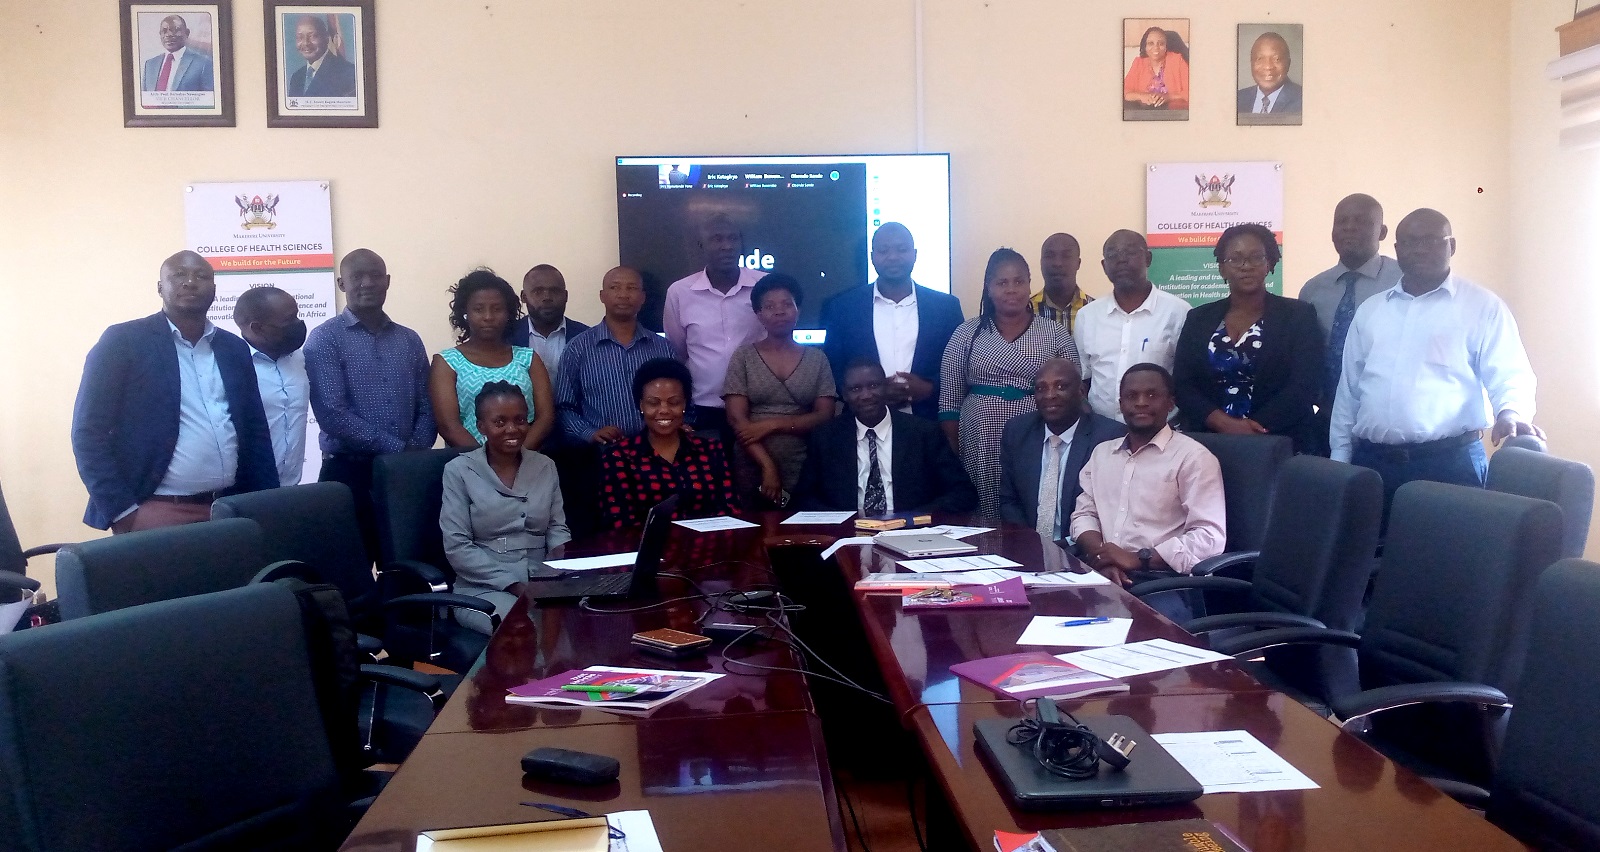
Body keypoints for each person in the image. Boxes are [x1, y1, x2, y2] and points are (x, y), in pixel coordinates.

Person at [1331, 209, 1541, 509]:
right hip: (1373, 465)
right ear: (1396, 250)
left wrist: (1511, 412)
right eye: (1409, 241)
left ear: (1451, 246)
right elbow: (1348, 393)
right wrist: (1340, 460)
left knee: (1448, 555)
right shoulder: (1371, 311)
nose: (1419, 249)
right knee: (1370, 554)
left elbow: (1510, 374)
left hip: (1449, 465)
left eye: (1431, 240)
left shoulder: (1482, 307)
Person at [72, 251, 277, 533]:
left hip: (230, 508)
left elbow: (255, 429)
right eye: (179, 275)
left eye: (201, 276)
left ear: (214, 291)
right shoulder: (123, 342)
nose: (190, 282)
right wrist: (122, 511)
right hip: (155, 510)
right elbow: (88, 431)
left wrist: (267, 503)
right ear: (160, 288)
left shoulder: (234, 348)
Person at [304, 248, 435, 555]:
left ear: (387, 281)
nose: (367, 283)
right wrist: (400, 450)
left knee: (408, 563)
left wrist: (415, 451)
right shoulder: (324, 339)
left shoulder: (409, 339)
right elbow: (333, 415)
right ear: (341, 284)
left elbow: (428, 405)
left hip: (407, 472)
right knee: (351, 571)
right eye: (356, 276)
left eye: (375, 275)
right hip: (350, 474)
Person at [938, 248, 1079, 519]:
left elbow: (1074, 391)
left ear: (1029, 284)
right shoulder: (966, 333)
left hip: (1038, 436)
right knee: (984, 513)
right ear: (988, 288)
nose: (1011, 289)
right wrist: (955, 452)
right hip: (979, 439)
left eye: (1019, 281)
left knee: (1031, 506)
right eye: (1002, 283)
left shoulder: (1054, 333)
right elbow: (949, 402)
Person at [1071, 364, 1226, 588]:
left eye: (1152, 395)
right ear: (1121, 404)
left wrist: (1138, 559)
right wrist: (1103, 558)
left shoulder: (1193, 458)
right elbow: (1084, 514)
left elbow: (1209, 537)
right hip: (1102, 571)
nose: (1141, 402)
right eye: (1131, 396)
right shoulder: (1102, 454)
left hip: (1163, 580)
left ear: (1171, 403)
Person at [1173, 224, 1324, 453]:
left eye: (1256, 257)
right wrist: (1222, 423)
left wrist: (1252, 428)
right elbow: (1183, 384)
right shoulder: (1198, 318)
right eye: (1235, 259)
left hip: (1278, 442)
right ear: (1222, 269)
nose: (1246, 266)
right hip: (1208, 443)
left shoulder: (1298, 315)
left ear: (1269, 264)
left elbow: (1306, 384)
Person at [439, 382, 570, 632]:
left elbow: (556, 528)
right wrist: (515, 585)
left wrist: (562, 568)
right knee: (523, 628)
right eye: (500, 422)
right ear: (481, 427)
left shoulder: (545, 465)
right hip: (483, 587)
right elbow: (457, 546)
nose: (512, 429)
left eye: (520, 420)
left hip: (541, 580)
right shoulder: (459, 471)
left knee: (580, 623)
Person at [821, 222, 965, 419]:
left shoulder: (946, 307)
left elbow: (960, 367)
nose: (893, 257)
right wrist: (872, 391)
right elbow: (832, 368)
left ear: (915, 254)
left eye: (902, 249)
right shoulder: (842, 308)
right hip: (862, 425)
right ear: (872, 257)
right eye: (883, 250)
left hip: (929, 423)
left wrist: (929, 388)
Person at [795, 359, 976, 514]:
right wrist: (845, 523)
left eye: (873, 386)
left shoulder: (923, 433)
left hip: (911, 533)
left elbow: (962, 493)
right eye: (856, 388)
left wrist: (914, 518)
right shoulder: (826, 437)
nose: (865, 395)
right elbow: (803, 498)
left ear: (885, 387)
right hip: (848, 535)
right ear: (845, 394)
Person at [722, 274, 838, 507]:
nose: (779, 311)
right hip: (753, 463)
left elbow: (825, 416)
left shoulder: (817, 359)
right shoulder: (743, 357)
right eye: (770, 306)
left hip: (806, 463)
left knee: (803, 532)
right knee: (758, 534)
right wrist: (768, 466)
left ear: (798, 310)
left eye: (787, 304)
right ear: (759, 315)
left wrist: (772, 424)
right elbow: (737, 420)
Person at [662, 213, 767, 446]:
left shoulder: (765, 286)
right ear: (702, 246)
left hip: (757, 406)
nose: (726, 246)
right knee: (710, 479)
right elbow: (678, 351)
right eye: (717, 239)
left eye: (733, 239)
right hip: (702, 408)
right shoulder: (680, 292)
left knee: (751, 478)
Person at [598, 358, 736, 529]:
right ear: (641, 405)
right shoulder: (619, 457)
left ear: (685, 404)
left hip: (707, 549)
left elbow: (730, 511)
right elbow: (619, 523)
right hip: (648, 552)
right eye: (653, 403)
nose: (664, 410)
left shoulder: (711, 450)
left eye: (674, 402)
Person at [997, 357, 1126, 539]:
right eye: (1041, 388)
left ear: (1081, 391)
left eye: (1061, 387)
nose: (1050, 395)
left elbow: (1110, 510)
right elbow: (1009, 501)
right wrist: (1030, 543)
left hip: (1084, 550)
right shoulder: (1018, 432)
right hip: (1027, 547)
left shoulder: (1108, 436)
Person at [429, 269, 555, 450]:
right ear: (466, 313)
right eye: (479, 309)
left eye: (497, 309)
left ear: (508, 314)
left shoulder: (528, 358)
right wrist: (487, 464)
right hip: (468, 465)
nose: (488, 317)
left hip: (526, 462)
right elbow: (449, 426)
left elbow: (545, 418)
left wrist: (517, 457)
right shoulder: (447, 363)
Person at [1074, 230, 1191, 422]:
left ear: (1148, 258)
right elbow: (1084, 378)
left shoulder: (1178, 312)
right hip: (1102, 430)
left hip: (1161, 429)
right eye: (1112, 255)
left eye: (1130, 252)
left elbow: (1185, 380)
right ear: (1104, 266)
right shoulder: (1087, 316)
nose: (1121, 260)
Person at [1300, 194, 1403, 410]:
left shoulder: (1403, 280)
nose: (1349, 227)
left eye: (1361, 221)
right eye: (1341, 221)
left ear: (1382, 232)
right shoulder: (1313, 290)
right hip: (1329, 413)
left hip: (1388, 412)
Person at [557, 267, 676, 445]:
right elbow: (564, 406)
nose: (623, 295)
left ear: (643, 297)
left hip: (657, 449)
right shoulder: (578, 348)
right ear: (602, 296)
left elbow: (682, 400)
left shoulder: (663, 348)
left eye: (631, 288)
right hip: (603, 452)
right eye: (615, 287)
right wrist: (590, 433)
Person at [234, 285, 309, 486]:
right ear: (257, 327)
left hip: (291, 489)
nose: (298, 324)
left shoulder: (300, 359)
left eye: (297, 315)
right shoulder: (232, 364)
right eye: (289, 320)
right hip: (244, 491)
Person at [508, 264, 588, 377]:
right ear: (524, 297)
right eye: (538, 291)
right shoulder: (507, 336)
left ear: (566, 296)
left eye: (555, 291)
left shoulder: (586, 337)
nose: (547, 297)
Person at [1031, 233, 1093, 334]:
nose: (1057, 263)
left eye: (1066, 256)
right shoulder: (1025, 312)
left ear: (1078, 263)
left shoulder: (1097, 312)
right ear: (1041, 262)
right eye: (1049, 256)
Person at [288, 14, 357, 98]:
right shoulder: (297, 77)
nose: (306, 43)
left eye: (312, 36)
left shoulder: (348, 73)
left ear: (326, 38)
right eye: (300, 37)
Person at [141, 15, 214, 93]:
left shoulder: (204, 63)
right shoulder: (150, 64)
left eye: (175, 30)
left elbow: (208, 100)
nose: (168, 34)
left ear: (187, 33)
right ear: (160, 34)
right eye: (164, 31)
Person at [1123, 26, 1190, 111]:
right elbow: (1125, 91)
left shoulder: (1178, 61)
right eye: (1151, 43)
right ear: (1145, 46)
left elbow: (1192, 91)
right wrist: (1141, 96)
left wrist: (1168, 97)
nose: (1156, 47)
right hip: (1144, 114)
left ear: (1166, 46)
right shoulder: (1138, 63)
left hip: (1173, 114)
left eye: (1161, 43)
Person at [1236, 32, 1303, 115]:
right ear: (1251, 63)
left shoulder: (1302, 100)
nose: (1268, 66)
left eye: (1276, 59)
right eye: (1260, 59)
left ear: (1288, 63)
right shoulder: (1238, 98)